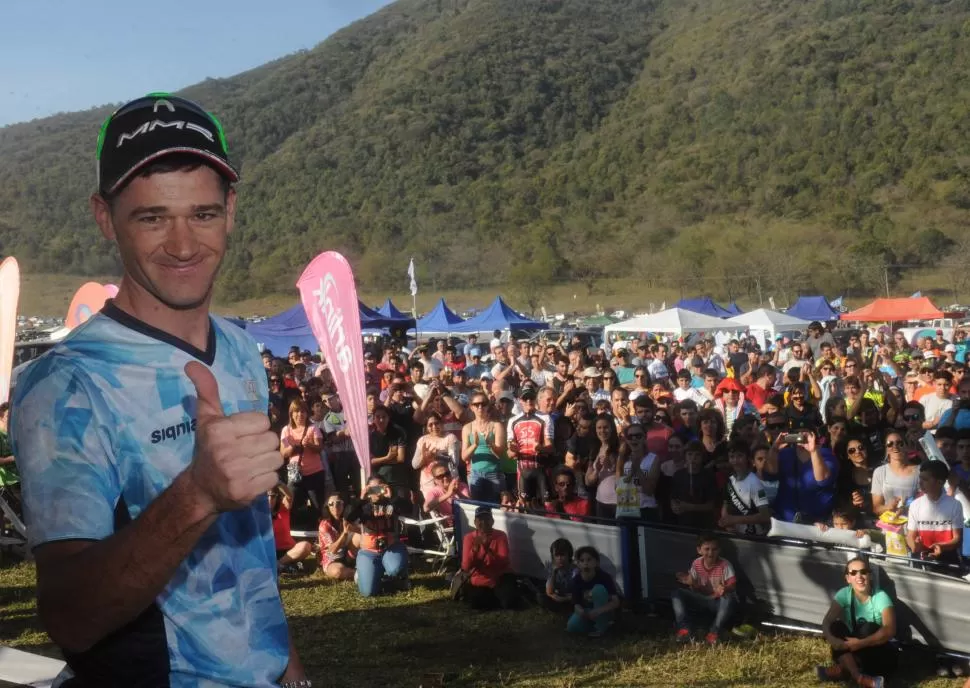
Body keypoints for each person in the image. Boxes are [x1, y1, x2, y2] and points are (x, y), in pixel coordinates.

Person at [9, 94, 305, 685]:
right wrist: (196, 494)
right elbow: (70, 617)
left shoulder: (241, 348)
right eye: (152, 217)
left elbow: (248, 557)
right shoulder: (65, 383)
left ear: (232, 210)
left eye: (203, 214)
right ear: (104, 217)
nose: (183, 244)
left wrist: (289, 668)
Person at [817, 557, 896, 688]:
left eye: (863, 572)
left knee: (868, 628)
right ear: (848, 578)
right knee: (836, 626)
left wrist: (860, 644)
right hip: (852, 649)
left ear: (869, 575)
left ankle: (843, 669)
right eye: (853, 573)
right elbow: (827, 621)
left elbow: (890, 630)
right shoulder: (843, 594)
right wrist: (831, 639)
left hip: (876, 652)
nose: (859, 576)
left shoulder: (881, 597)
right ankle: (858, 677)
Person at [672, 533, 739, 645]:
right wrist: (689, 582)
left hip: (717, 601)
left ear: (719, 550)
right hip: (701, 599)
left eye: (714, 549)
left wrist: (724, 588)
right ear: (699, 550)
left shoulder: (725, 565)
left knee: (728, 598)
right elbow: (694, 585)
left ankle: (714, 632)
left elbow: (733, 585)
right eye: (707, 549)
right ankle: (684, 629)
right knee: (676, 593)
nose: (710, 553)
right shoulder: (696, 563)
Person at [355, 476, 410, 597]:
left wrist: (392, 497)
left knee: (394, 569)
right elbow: (349, 515)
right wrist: (361, 498)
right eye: (373, 489)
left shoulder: (392, 503)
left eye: (379, 488)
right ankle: (371, 574)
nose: (376, 492)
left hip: (391, 547)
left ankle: (399, 575)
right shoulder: (363, 506)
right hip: (369, 552)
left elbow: (409, 508)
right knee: (368, 593)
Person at [770, 430, 838, 524]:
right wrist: (774, 449)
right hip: (785, 521)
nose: (801, 437)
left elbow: (823, 480)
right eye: (797, 433)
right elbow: (769, 475)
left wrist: (814, 451)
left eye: (806, 434)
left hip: (818, 524)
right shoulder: (785, 453)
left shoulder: (826, 454)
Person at [906, 460, 964, 569]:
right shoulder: (915, 504)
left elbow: (958, 539)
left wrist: (942, 547)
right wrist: (914, 546)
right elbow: (910, 536)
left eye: (925, 479)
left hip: (947, 559)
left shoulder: (955, 505)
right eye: (920, 478)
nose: (920, 482)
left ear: (940, 482)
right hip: (921, 558)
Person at [459, 506, 519, 610]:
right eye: (480, 520)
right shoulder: (469, 538)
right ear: (475, 522)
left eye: (487, 519)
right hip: (480, 580)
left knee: (509, 603)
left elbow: (504, 562)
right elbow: (466, 566)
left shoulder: (500, 536)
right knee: (478, 604)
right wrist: (475, 549)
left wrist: (488, 550)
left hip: (500, 578)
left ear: (492, 521)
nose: (483, 523)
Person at [719, 440, 773, 536]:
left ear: (747, 458)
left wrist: (734, 520)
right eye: (732, 457)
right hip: (734, 535)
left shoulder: (755, 483)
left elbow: (765, 516)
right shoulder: (730, 480)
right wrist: (726, 521)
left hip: (754, 537)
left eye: (739, 456)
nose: (735, 460)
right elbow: (725, 503)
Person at [461, 392, 506, 503]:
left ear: (488, 406)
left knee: (495, 508)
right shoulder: (467, 428)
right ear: (472, 407)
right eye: (476, 404)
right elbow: (464, 457)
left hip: (494, 473)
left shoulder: (496, 425)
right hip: (475, 474)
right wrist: (475, 445)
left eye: (483, 403)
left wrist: (490, 443)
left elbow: (500, 453)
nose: (480, 407)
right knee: (478, 510)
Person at [567, 546, 621, 637]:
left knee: (598, 589)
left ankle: (601, 626)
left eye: (589, 560)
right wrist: (581, 612)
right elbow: (576, 604)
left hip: (603, 610)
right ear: (578, 564)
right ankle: (592, 626)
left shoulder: (604, 577)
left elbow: (616, 602)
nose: (586, 563)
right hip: (588, 611)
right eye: (582, 561)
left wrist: (598, 611)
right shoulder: (576, 580)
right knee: (571, 627)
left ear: (596, 562)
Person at [870, 431, 920, 518]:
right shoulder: (880, 472)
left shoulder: (920, 471)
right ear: (886, 449)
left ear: (907, 446)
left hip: (913, 526)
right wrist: (889, 507)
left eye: (900, 443)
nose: (895, 447)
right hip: (889, 527)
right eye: (890, 444)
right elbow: (876, 508)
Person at [269, 484, 314, 574]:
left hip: (289, 551)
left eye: (273, 496)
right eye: (266, 496)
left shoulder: (283, 508)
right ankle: (285, 566)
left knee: (306, 546)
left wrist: (277, 482)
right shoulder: (257, 513)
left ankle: (278, 564)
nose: (269, 499)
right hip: (269, 551)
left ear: (277, 496)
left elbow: (289, 496)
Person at [318, 494, 359, 581]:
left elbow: (364, 533)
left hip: (347, 555)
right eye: (331, 504)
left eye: (338, 503)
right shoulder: (324, 525)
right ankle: (359, 573)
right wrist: (344, 534)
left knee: (359, 536)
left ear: (343, 505)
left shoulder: (346, 519)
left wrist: (354, 529)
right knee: (338, 571)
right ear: (327, 507)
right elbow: (332, 550)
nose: (335, 506)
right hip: (332, 558)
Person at [542, 538, 577, 613]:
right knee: (541, 597)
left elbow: (580, 593)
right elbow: (549, 591)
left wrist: (565, 599)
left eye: (562, 555)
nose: (559, 558)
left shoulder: (575, 570)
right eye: (557, 555)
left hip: (572, 598)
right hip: (560, 596)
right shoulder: (553, 568)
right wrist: (554, 572)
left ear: (569, 555)